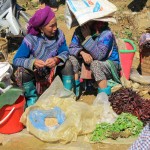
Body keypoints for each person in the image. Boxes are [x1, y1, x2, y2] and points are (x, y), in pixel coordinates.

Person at [13, 6, 73, 107]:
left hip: (53, 75)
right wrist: (32, 62)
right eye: (51, 26)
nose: (55, 29)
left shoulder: (59, 34)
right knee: (22, 72)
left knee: (68, 64)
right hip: (36, 77)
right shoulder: (30, 40)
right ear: (41, 28)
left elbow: (65, 51)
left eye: (56, 24)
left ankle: (67, 98)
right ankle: (32, 100)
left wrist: (57, 59)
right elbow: (16, 60)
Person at [69, 21, 121, 97]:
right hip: (87, 61)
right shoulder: (79, 30)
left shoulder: (106, 33)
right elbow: (71, 48)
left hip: (108, 64)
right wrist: (82, 52)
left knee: (95, 64)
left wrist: (87, 37)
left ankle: (104, 96)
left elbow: (99, 56)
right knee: (71, 59)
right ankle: (74, 92)